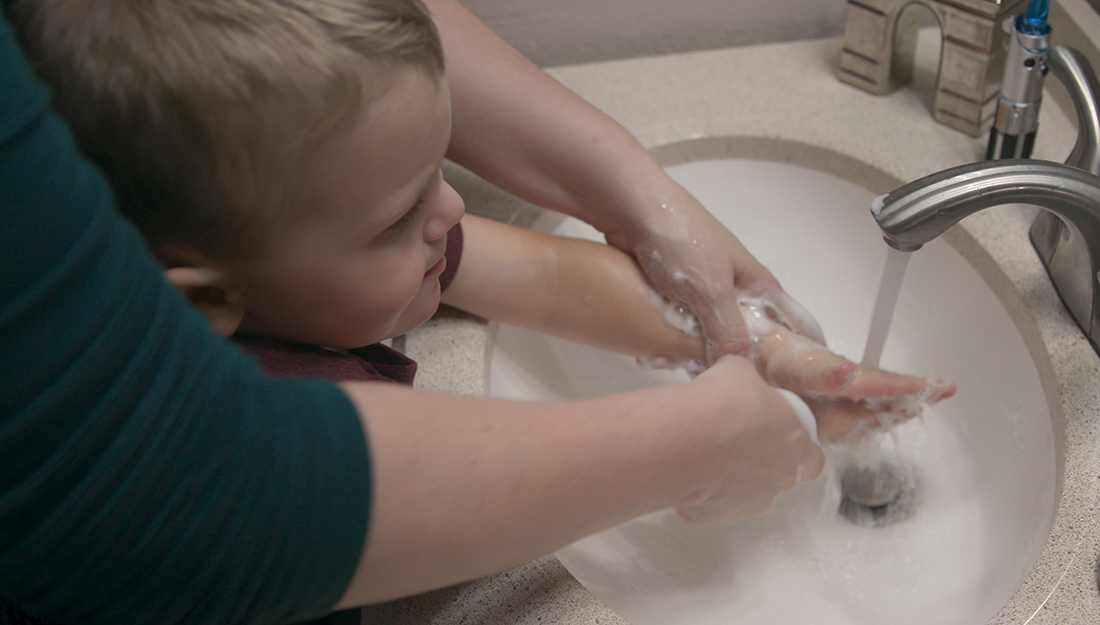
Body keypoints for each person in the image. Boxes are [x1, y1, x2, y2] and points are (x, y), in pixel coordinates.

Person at [0, 3, 951, 625]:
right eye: (401, 212)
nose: (453, 210)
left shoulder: (310, 261)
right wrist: (695, 439)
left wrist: (766, 354)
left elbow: (534, 274)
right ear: (208, 300)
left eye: (436, 171)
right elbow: (249, 498)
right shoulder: (270, 395)